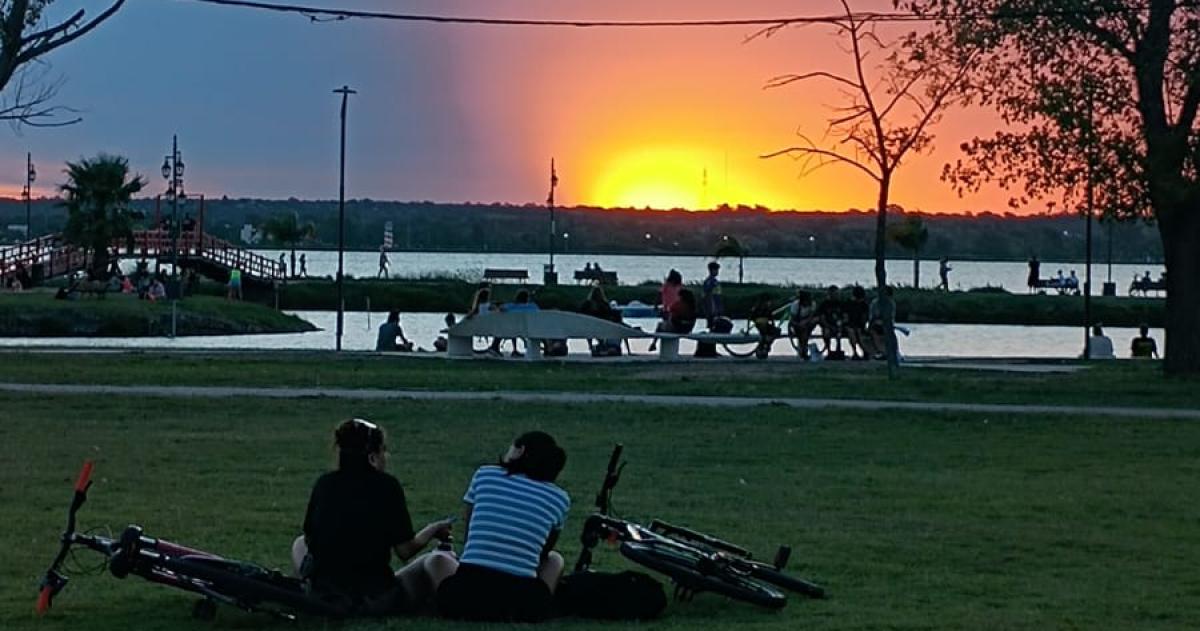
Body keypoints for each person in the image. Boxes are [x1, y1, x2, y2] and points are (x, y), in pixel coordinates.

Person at [293, 418, 457, 616]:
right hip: (373, 596)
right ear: (372, 457)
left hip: (325, 596)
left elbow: (310, 539)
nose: (386, 456)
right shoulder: (387, 486)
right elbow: (405, 550)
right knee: (431, 562)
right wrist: (433, 529)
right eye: (383, 451)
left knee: (299, 544)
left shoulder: (325, 484)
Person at [436, 431, 570, 623]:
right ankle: (542, 608)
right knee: (555, 560)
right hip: (521, 604)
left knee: (436, 561)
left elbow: (469, 534)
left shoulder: (485, 475)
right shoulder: (559, 498)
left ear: (520, 450)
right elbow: (543, 553)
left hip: (465, 596)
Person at [649, 269, 683, 352]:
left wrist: (656, 305)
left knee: (665, 327)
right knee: (666, 326)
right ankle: (656, 343)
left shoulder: (674, 286)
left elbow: (660, 295)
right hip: (669, 310)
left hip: (673, 311)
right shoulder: (669, 285)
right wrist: (656, 305)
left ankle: (655, 343)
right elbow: (660, 295)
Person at [787, 290, 820, 359]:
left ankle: (803, 349)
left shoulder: (813, 304)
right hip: (797, 323)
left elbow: (812, 315)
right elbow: (792, 319)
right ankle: (803, 349)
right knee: (802, 332)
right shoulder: (795, 305)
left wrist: (805, 322)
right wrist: (799, 324)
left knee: (807, 328)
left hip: (808, 323)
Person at [815, 285, 845, 358]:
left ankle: (838, 350)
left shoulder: (841, 304)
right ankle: (829, 351)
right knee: (826, 332)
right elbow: (821, 318)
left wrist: (841, 323)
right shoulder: (824, 304)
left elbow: (845, 316)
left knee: (839, 332)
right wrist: (828, 326)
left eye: (837, 294)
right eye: (834, 294)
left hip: (839, 326)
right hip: (827, 325)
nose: (836, 295)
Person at [843, 286, 870, 359]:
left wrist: (861, 326)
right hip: (849, 325)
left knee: (858, 332)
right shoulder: (848, 304)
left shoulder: (864, 305)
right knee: (852, 331)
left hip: (859, 325)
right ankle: (855, 352)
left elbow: (864, 319)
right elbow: (846, 317)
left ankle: (865, 351)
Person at [701, 261, 723, 327]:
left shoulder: (715, 281)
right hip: (712, 307)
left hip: (716, 306)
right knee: (712, 323)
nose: (717, 272)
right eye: (716, 270)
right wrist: (712, 309)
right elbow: (708, 294)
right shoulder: (710, 282)